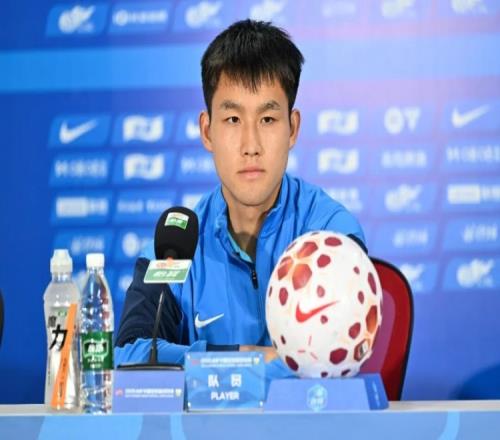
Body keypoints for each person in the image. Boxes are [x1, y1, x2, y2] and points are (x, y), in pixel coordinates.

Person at [114, 19, 366, 378]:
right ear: (207, 131)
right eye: (233, 119)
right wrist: (247, 357)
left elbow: (333, 360)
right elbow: (129, 356)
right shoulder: (175, 246)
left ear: (293, 128)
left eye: (267, 119)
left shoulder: (331, 235)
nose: (251, 145)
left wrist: (209, 369)